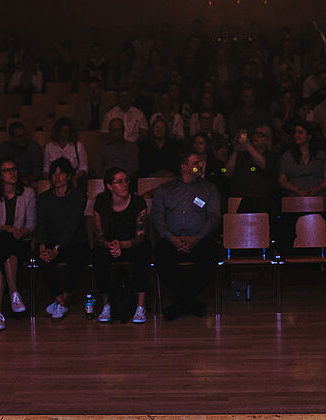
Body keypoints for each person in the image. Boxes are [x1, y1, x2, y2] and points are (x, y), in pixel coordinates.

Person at [151, 149, 221, 320]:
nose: (200, 165)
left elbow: (214, 217)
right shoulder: (165, 189)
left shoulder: (209, 189)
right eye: (196, 163)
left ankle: (181, 304)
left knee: (210, 257)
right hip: (171, 239)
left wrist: (197, 238)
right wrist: (171, 238)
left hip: (199, 239)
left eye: (201, 162)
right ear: (184, 167)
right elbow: (157, 217)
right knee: (160, 257)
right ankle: (190, 303)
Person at [0, 157, 36, 330]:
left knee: (0, 258)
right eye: (6, 170)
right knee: (4, 240)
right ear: (0, 175)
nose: (12, 173)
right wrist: (5, 228)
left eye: (14, 169)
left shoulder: (28, 193)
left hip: (20, 242)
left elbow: (31, 224)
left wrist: (19, 232)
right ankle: (14, 292)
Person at [91, 167, 149, 323]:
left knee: (142, 252)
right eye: (120, 182)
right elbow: (98, 236)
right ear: (110, 186)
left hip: (131, 244)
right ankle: (107, 305)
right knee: (98, 255)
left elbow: (140, 236)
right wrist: (110, 245)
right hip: (110, 245)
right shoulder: (101, 204)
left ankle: (140, 306)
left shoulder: (138, 202)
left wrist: (122, 245)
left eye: (126, 181)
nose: (125, 185)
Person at [34, 159, 89, 319]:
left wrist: (57, 249)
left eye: (61, 173)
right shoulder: (43, 198)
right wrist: (43, 247)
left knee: (77, 258)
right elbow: (42, 224)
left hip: (75, 241)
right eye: (54, 173)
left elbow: (72, 227)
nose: (57, 177)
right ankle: (60, 300)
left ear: (69, 176)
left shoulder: (79, 197)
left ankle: (62, 299)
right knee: (42, 259)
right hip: (51, 241)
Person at [226, 125, 278, 213]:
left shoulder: (272, 155)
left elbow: (263, 164)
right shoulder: (244, 155)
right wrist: (235, 151)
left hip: (263, 200)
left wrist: (248, 146)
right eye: (255, 134)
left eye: (260, 135)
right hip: (241, 200)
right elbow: (227, 172)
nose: (256, 137)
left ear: (268, 140)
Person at [0, 121, 44, 187]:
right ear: (12, 137)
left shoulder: (34, 148)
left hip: (28, 182)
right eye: (19, 136)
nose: (23, 138)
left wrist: (23, 180)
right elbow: (0, 171)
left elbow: (37, 172)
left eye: (24, 135)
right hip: (8, 182)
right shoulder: (4, 149)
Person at [43, 117, 89, 182]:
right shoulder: (49, 146)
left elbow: (83, 168)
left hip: (74, 180)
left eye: (65, 132)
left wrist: (73, 179)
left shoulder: (78, 146)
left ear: (70, 132)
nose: (62, 134)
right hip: (54, 181)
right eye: (60, 131)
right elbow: (46, 169)